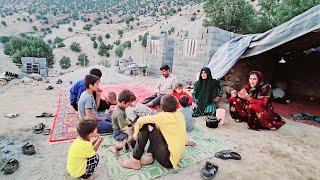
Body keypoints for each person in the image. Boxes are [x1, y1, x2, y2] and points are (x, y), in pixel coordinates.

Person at [121, 95, 196, 170]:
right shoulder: (180, 114)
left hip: (167, 160)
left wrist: (135, 134)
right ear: (177, 105)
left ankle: (135, 160)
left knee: (146, 125)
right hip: (175, 156)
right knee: (155, 127)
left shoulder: (162, 117)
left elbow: (140, 121)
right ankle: (149, 155)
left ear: (161, 107)